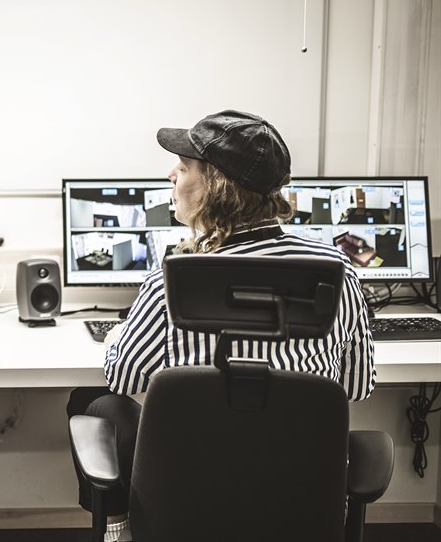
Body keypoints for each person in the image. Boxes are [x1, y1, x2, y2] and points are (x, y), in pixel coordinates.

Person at [67, 110, 376, 542]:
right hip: (301, 506)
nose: (170, 175)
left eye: (183, 167)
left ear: (215, 186)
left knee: (93, 402)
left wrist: (118, 337)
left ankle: (119, 532)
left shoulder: (173, 281)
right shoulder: (337, 271)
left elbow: (122, 378)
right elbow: (356, 386)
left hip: (185, 507)